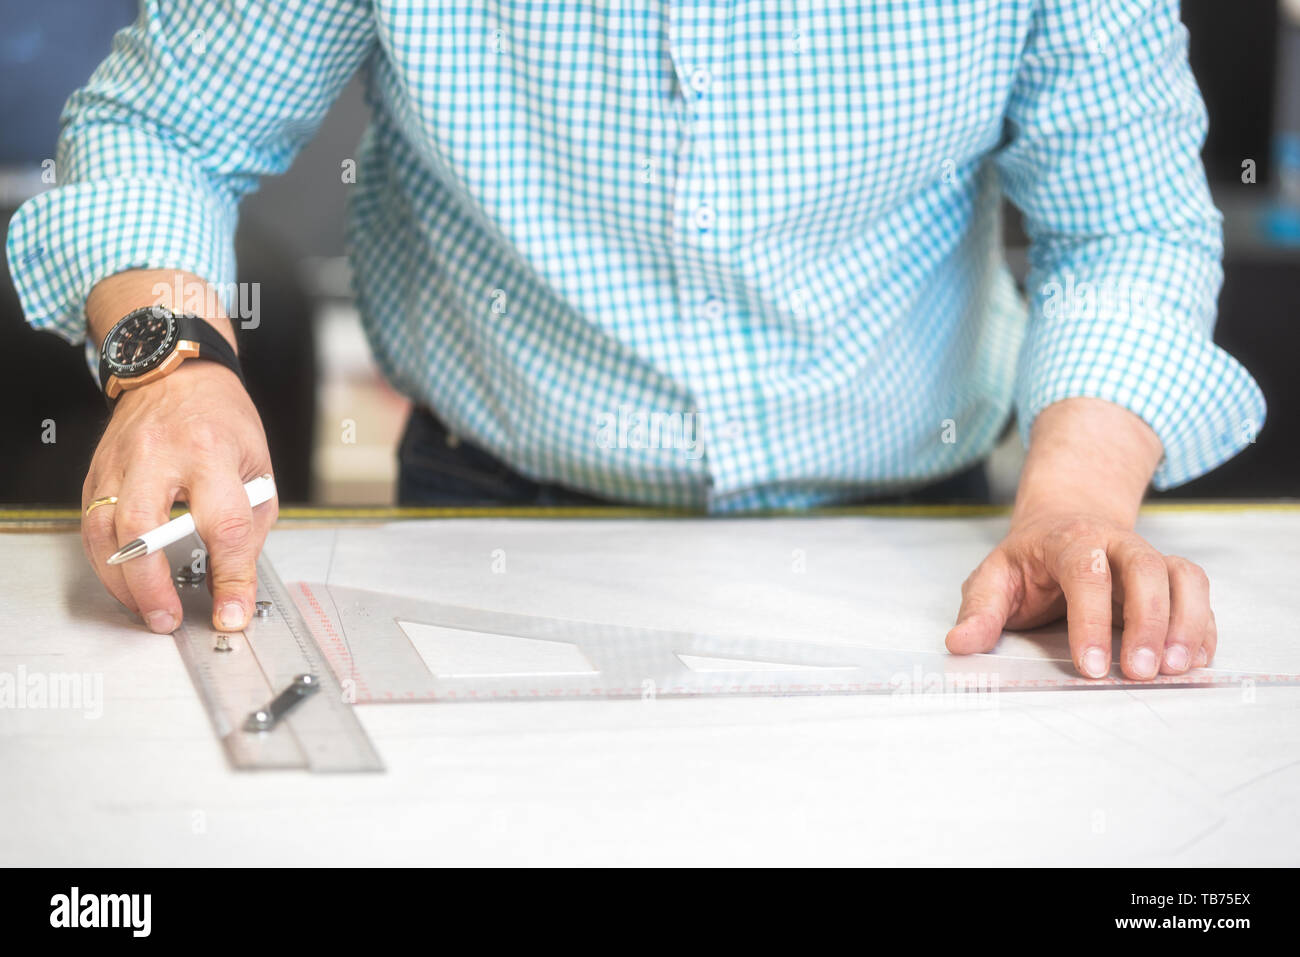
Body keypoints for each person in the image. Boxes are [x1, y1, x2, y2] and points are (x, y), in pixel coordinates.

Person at [6, 1, 1263, 682]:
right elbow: (166, 130)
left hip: (922, 537)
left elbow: (1129, 225)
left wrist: (1081, 499)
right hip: (486, 506)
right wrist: (170, 366)